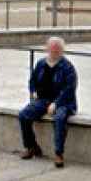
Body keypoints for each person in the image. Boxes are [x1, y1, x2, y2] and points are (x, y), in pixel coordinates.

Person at [17, 36, 78, 167]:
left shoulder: (67, 67)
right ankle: (31, 146)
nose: (54, 52)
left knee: (60, 118)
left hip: (63, 102)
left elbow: (70, 89)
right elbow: (32, 81)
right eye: (52, 50)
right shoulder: (41, 64)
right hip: (43, 99)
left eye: (57, 50)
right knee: (23, 115)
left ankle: (58, 153)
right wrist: (32, 91)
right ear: (47, 49)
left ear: (62, 51)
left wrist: (56, 103)